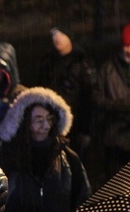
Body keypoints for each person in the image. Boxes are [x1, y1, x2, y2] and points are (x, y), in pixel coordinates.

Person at [92, 22, 130, 190]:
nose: (129, 50)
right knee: (117, 189)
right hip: (115, 142)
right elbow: (96, 98)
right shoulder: (108, 70)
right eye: (126, 45)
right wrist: (116, 106)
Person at [37, 25, 97, 158]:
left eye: (60, 34)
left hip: (75, 125)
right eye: (53, 35)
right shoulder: (48, 61)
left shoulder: (81, 62)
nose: (56, 39)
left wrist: (86, 130)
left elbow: (89, 98)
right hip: (51, 124)